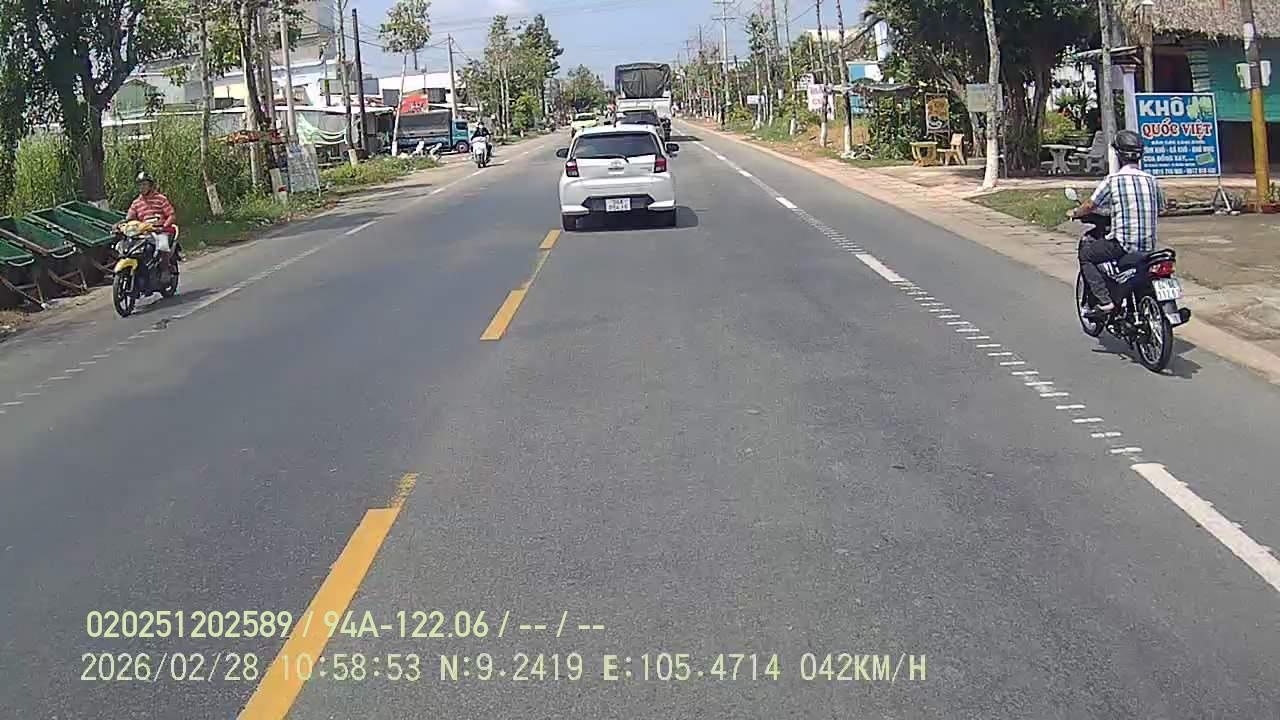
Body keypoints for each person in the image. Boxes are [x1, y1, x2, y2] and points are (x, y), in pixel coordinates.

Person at [1068, 129, 1165, 318]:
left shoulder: (1113, 180)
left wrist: (1075, 212)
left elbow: (1090, 205)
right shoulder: (1151, 180)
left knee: (1086, 254)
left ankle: (1106, 302)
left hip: (1123, 245)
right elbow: (1162, 208)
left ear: (1118, 155)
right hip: (1148, 246)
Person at [125, 171, 177, 268]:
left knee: (163, 246)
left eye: (145, 184)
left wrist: (164, 226)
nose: (142, 187)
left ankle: (165, 269)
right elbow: (129, 217)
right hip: (144, 232)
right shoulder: (136, 203)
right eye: (140, 185)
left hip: (159, 231)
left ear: (150, 186)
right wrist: (121, 225)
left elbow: (171, 215)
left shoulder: (161, 199)